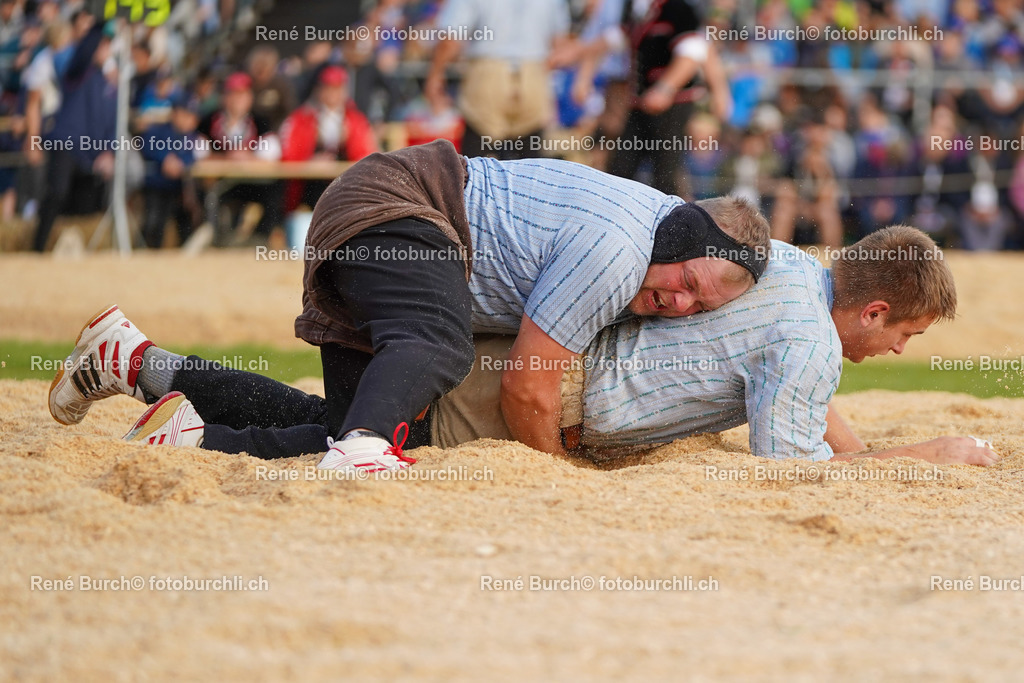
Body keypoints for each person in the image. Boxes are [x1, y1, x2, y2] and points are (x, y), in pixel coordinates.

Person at [48, 140, 770, 471]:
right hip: (398, 207)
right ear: (681, 235)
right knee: (435, 352)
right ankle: (360, 453)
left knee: (346, 424)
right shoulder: (618, 252)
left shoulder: (656, 237)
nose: (678, 302)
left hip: (395, 222)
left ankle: (153, 387)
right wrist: (556, 472)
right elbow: (527, 386)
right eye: (688, 282)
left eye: (695, 307)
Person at [424, 0, 571, 158]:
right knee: (528, 160)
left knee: (476, 160)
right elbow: (560, 45)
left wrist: (435, 76)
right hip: (533, 74)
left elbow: (451, 39)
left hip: (487, 75)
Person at [32, 22, 116, 252]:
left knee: (83, 207)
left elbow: (112, 123)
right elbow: (84, 52)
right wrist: (100, 23)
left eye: (107, 46)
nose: (104, 50)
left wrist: (109, 152)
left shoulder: (108, 85)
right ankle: (38, 248)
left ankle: (68, 249)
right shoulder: (75, 73)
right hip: (66, 145)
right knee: (56, 194)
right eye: (101, 46)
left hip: (92, 154)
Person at [278, 65, 377, 212]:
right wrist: (309, 163)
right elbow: (288, 155)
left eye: (337, 88)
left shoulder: (356, 120)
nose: (332, 93)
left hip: (346, 189)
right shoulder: (301, 119)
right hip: (308, 188)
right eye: (328, 87)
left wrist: (347, 143)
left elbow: (366, 157)